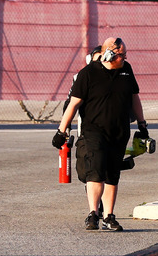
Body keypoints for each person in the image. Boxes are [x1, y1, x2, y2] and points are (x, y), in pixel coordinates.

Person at [52, 37, 148, 232]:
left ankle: (109, 216)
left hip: (120, 131)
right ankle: (93, 214)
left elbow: (134, 98)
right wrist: (62, 131)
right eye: (121, 55)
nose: (124, 58)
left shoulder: (126, 70)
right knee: (96, 171)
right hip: (94, 131)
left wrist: (142, 124)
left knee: (113, 174)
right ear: (109, 54)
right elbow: (73, 104)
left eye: (125, 55)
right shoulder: (87, 74)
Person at [62, 45, 103, 138]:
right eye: (97, 60)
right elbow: (70, 103)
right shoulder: (81, 77)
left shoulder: (119, 76)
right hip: (87, 133)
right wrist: (65, 128)